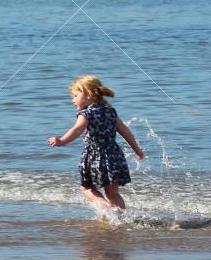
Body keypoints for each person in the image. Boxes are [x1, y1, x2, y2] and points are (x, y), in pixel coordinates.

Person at [48, 75, 144, 211]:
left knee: (87, 188)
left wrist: (62, 141)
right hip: (114, 155)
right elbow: (125, 132)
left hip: (95, 156)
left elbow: (76, 129)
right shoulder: (110, 112)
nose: (72, 100)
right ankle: (121, 218)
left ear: (88, 95)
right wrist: (137, 150)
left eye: (75, 96)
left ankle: (109, 208)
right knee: (113, 193)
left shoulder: (86, 113)